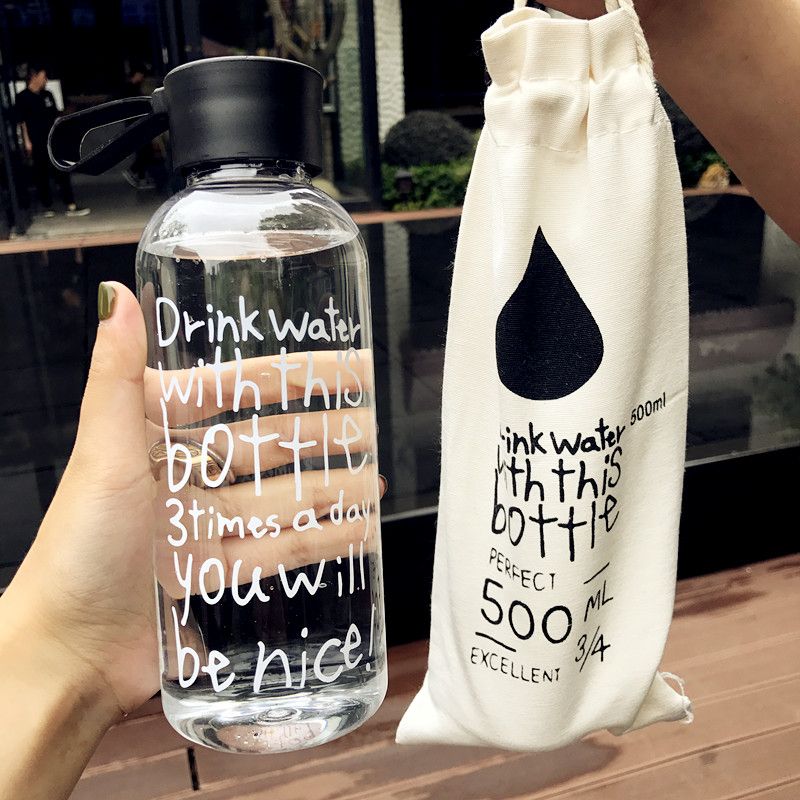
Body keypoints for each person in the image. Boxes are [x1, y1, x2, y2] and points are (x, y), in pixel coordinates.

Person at [0, 1, 798, 797]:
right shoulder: (184, 234)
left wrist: (68, 652)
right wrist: (73, 643)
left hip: (325, 655)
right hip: (207, 645)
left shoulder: (320, 225)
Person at [15, 62, 90, 218]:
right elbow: (22, 122)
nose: (45, 80)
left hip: (52, 139)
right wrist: (27, 141)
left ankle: (70, 204)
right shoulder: (23, 97)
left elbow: (55, 116)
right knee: (41, 172)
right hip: (36, 140)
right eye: (43, 76)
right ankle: (46, 205)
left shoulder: (47, 95)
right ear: (34, 76)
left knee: (62, 169)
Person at [118, 61, 156, 190]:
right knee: (145, 151)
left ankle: (140, 177)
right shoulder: (130, 89)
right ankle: (134, 172)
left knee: (144, 151)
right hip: (136, 124)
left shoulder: (132, 88)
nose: (142, 78)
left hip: (137, 124)